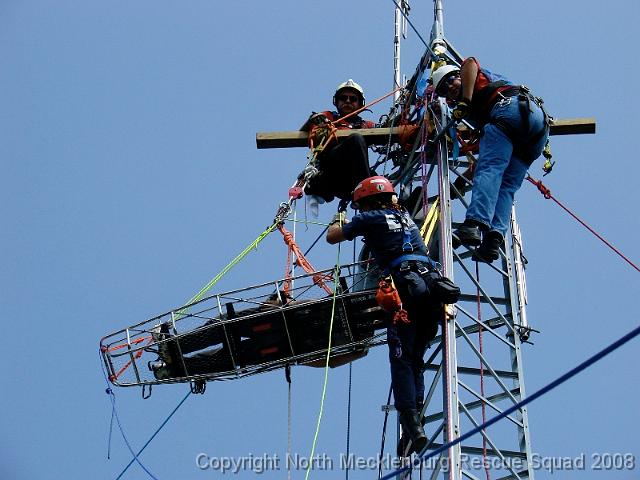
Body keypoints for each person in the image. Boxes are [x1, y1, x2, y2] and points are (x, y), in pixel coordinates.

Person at [326, 175, 460, 454]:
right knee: (416, 362)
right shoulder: (406, 218)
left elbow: (333, 237)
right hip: (431, 289)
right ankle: (416, 424)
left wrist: (337, 219)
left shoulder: (371, 217)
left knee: (401, 360)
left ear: (368, 202)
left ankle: (411, 424)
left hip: (406, 290)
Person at [432, 58, 550, 262]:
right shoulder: (476, 105)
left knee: (490, 170)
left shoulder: (472, 79)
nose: (450, 87)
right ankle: (493, 240)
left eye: (451, 80)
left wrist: (465, 101)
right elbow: (488, 162)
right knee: (505, 187)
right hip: (535, 131)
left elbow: (469, 63)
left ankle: (473, 224)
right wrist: (460, 184)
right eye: (444, 90)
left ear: (458, 75)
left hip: (511, 111)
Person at [300, 79, 375, 203]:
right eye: (343, 98)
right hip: (330, 174)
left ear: (360, 104)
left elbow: (386, 130)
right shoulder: (329, 117)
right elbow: (311, 124)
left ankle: (401, 205)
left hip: (352, 180)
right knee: (356, 139)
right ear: (336, 101)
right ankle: (366, 193)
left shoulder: (364, 125)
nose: (347, 101)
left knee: (381, 182)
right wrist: (314, 120)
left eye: (353, 99)